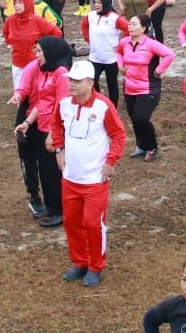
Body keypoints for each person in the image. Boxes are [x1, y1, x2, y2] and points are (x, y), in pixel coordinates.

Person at [51, 60, 127, 287]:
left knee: (93, 224)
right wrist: (58, 149)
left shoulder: (103, 106)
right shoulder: (64, 104)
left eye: (77, 81)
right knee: (72, 222)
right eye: (70, 80)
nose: (71, 85)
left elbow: (119, 135)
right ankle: (80, 261)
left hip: (94, 179)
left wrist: (110, 162)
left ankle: (95, 265)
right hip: (70, 177)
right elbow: (55, 125)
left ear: (91, 83)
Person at [10, 35, 73, 226]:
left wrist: (53, 135)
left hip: (53, 130)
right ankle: (52, 207)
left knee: (52, 171)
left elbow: (62, 105)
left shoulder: (61, 74)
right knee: (46, 170)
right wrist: (28, 122)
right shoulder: (49, 71)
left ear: (51, 52)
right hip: (43, 125)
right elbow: (42, 102)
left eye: (39, 51)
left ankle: (59, 211)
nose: (36, 55)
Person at [115, 14, 174, 161]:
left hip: (148, 87)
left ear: (143, 28)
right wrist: (120, 65)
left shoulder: (150, 43)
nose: (130, 26)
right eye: (130, 24)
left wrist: (159, 70)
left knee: (141, 117)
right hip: (129, 87)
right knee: (134, 118)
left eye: (134, 24)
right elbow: (118, 52)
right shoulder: (125, 42)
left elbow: (169, 54)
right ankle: (141, 146)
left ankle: (152, 147)